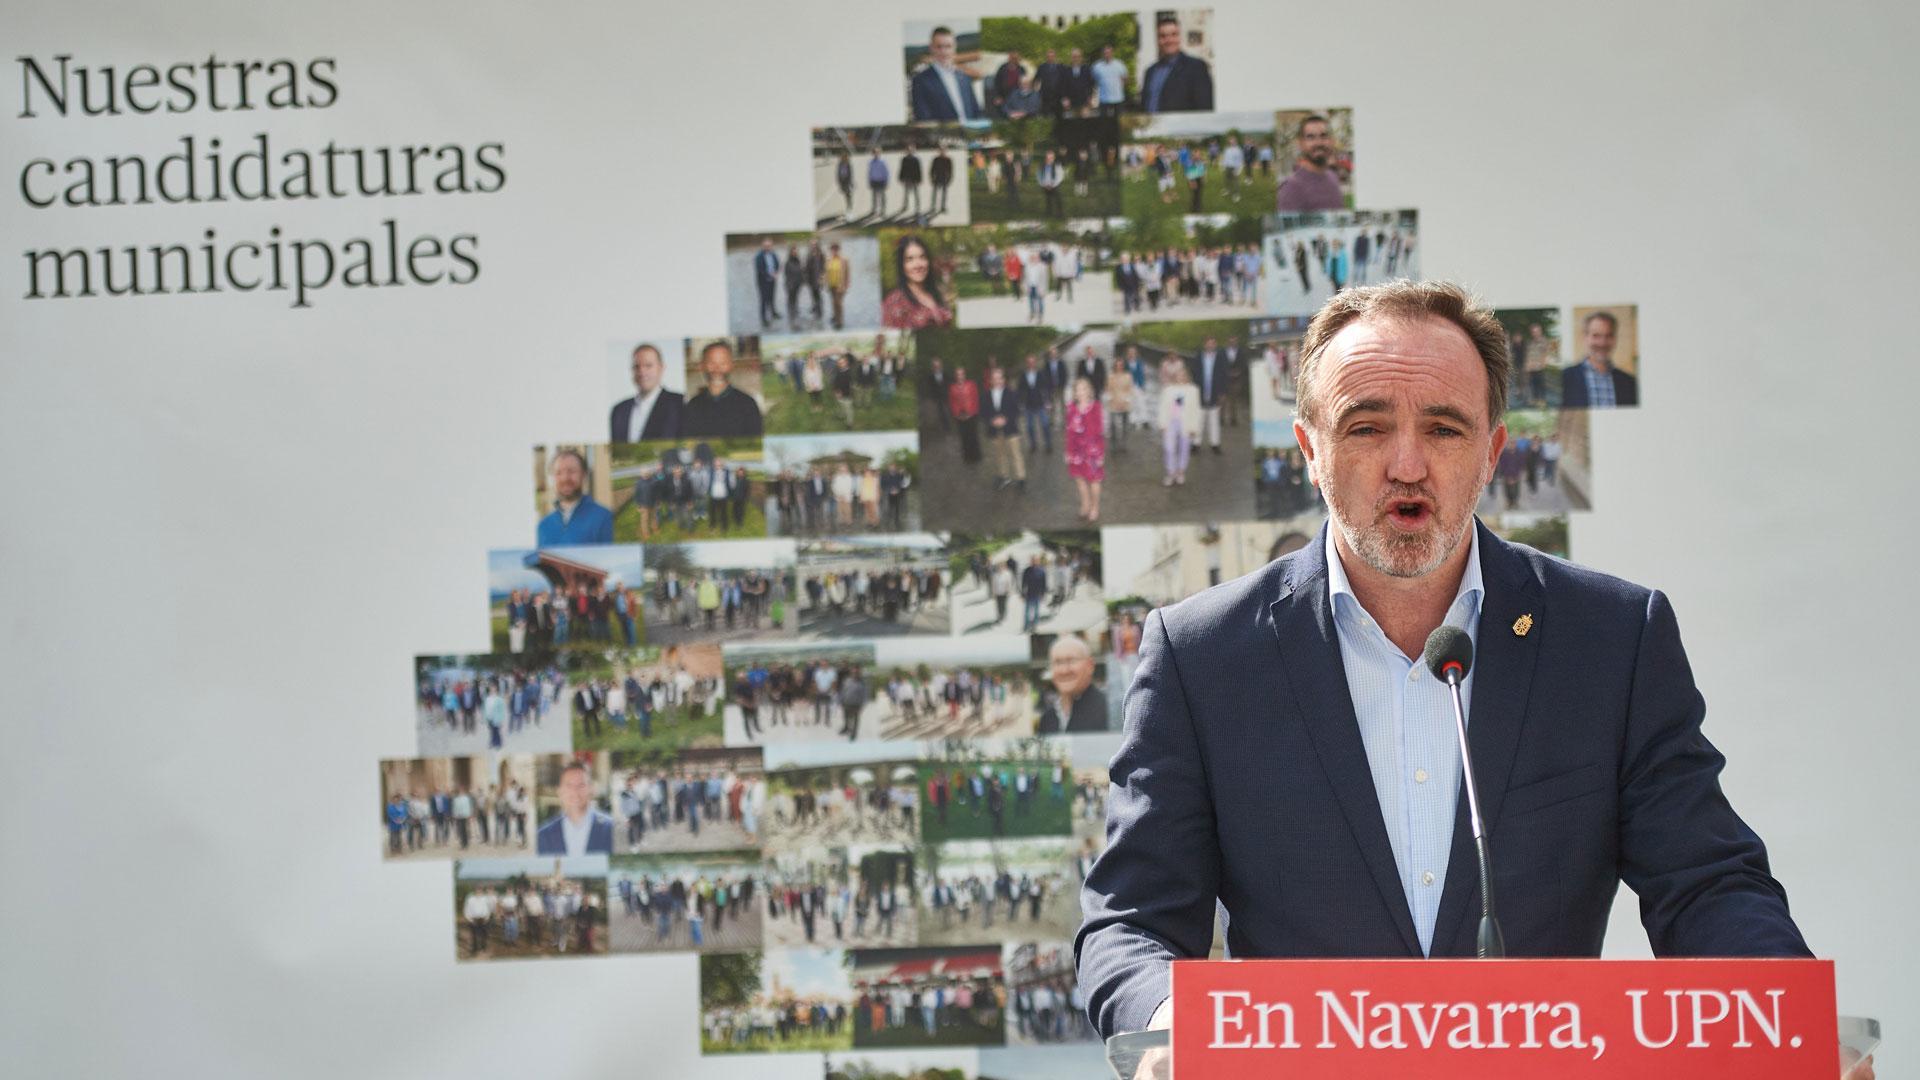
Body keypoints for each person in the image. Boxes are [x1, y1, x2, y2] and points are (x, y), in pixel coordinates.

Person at [1075, 280, 1816, 1045]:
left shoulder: (1612, 640)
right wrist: (1172, 1036)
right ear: (1310, 450)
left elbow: (1707, 886)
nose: (1407, 464)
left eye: (1444, 429)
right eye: (1366, 428)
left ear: (1492, 451)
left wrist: (1795, 1032)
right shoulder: (1204, 659)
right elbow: (1130, 924)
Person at [683, 340, 765, 437]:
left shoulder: (747, 404)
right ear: (702, 366)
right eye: (711, 363)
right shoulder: (692, 405)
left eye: (723, 363)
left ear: (731, 365)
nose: (717, 369)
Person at [1560, 310, 1639, 407]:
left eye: (1608, 336)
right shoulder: (1564, 379)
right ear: (1585, 337)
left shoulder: (1630, 383)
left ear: (1615, 339)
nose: (1602, 343)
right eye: (1596, 336)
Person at [610, 342, 685, 443]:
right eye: (637, 366)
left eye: (648, 365)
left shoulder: (679, 404)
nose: (642, 371)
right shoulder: (619, 411)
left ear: (661, 368)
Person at [536, 449, 614, 545]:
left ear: (584, 474)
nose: (565, 478)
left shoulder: (604, 518)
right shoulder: (544, 526)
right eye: (558, 473)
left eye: (571, 471)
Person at [536, 760, 614, 856]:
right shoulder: (543, 835)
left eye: (581, 785)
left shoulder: (612, 828)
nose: (575, 791)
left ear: (591, 789)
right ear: (559, 791)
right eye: (569, 785)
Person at [1139, 15, 1213, 112]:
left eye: (1173, 34)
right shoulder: (1150, 71)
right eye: (1163, 36)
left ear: (1180, 37)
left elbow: (1205, 108)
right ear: (1158, 40)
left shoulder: (1196, 67)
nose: (1168, 40)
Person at [909, 25, 983, 121]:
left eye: (948, 46)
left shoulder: (964, 77)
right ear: (931, 48)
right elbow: (924, 119)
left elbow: (976, 112)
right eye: (939, 47)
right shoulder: (921, 81)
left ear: (954, 47)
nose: (944, 51)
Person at [1275, 113, 1346, 212]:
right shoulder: (1290, 188)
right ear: (1300, 143)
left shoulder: (1333, 177)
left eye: (1323, 136)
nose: (1318, 143)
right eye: (1310, 137)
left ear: (1331, 141)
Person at [880, 234, 953, 330]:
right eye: (910, 259)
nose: (918, 265)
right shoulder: (894, 302)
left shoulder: (936, 293)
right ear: (901, 265)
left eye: (922, 257)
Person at [1064, 374, 1105, 521]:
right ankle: (1085, 504)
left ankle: (1095, 507)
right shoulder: (1070, 408)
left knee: (1094, 480)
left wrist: (1100, 454)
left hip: (1092, 451)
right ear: (1074, 392)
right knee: (1079, 479)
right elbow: (1069, 431)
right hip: (1076, 451)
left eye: (1083, 389)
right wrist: (1068, 451)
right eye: (1077, 390)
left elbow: (1099, 432)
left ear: (1089, 391)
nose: (1080, 392)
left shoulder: (1096, 407)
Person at [981, 366, 1025, 492]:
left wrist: (1005, 419)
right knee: (1000, 455)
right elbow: (983, 412)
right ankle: (1004, 476)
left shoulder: (1011, 393)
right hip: (994, 430)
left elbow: (1016, 411)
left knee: (1016, 454)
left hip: (1011, 429)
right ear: (991, 380)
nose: (997, 381)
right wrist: (992, 420)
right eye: (994, 378)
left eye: (999, 378)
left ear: (1003, 379)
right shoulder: (986, 395)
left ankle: (1021, 479)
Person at [1156, 356, 1198, 486]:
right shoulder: (1168, 389)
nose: (1180, 377)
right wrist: (1162, 423)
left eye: (1183, 375)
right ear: (1175, 376)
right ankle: (1170, 472)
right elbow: (1162, 407)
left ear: (1186, 376)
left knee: (1184, 448)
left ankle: (1181, 471)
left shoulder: (1193, 390)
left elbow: (1196, 410)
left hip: (1186, 423)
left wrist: (1194, 428)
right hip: (1171, 422)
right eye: (1178, 375)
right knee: (1169, 448)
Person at [1185, 337, 1227, 456]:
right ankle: (1196, 444)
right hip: (1200, 391)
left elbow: (1224, 374)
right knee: (1199, 419)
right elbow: (1193, 373)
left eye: (1212, 343)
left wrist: (1222, 392)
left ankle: (1215, 444)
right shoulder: (1198, 357)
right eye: (1208, 343)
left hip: (1215, 391)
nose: (1210, 345)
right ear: (1205, 345)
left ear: (1215, 345)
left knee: (1214, 419)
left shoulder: (1220, 357)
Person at [948, 365, 981, 464]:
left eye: (961, 374)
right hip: (960, 416)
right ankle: (967, 457)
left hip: (971, 414)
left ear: (964, 375)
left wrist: (972, 413)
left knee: (973, 436)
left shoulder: (971, 384)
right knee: (964, 437)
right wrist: (957, 414)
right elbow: (952, 402)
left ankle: (976, 456)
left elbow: (975, 399)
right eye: (958, 374)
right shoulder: (952, 387)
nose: (960, 376)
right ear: (955, 376)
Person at [752, 237, 781, 327]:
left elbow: (777, 263)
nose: (768, 247)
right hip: (763, 282)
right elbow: (760, 270)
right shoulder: (758, 256)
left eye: (769, 246)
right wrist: (770, 275)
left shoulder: (773, 254)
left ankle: (773, 313)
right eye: (766, 246)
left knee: (772, 297)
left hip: (772, 280)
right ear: (763, 246)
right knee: (764, 300)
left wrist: (776, 271)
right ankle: (764, 320)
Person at [1091, 43, 1128, 114]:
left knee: (1119, 122)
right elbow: (1094, 80)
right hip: (1103, 99)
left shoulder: (1120, 64)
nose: (1107, 54)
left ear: (1112, 53)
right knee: (1104, 122)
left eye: (1108, 52)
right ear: (1102, 54)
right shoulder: (1097, 66)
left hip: (1118, 99)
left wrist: (1119, 87)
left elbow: (1125, 79)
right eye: (1105, 53)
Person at [824, 243, 850, 330]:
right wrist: (825, 282)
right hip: (832, 285)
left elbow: (847, 273)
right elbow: (826, 273)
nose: (834, 251)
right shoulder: (829, 260)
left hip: (840, 285)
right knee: (834, 302)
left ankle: (840, 322)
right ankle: (835, 317)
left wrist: (846, 285)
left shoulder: (844, 260)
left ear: (839, 250)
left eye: (836, 249)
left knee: (839, 303)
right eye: (832, 249)